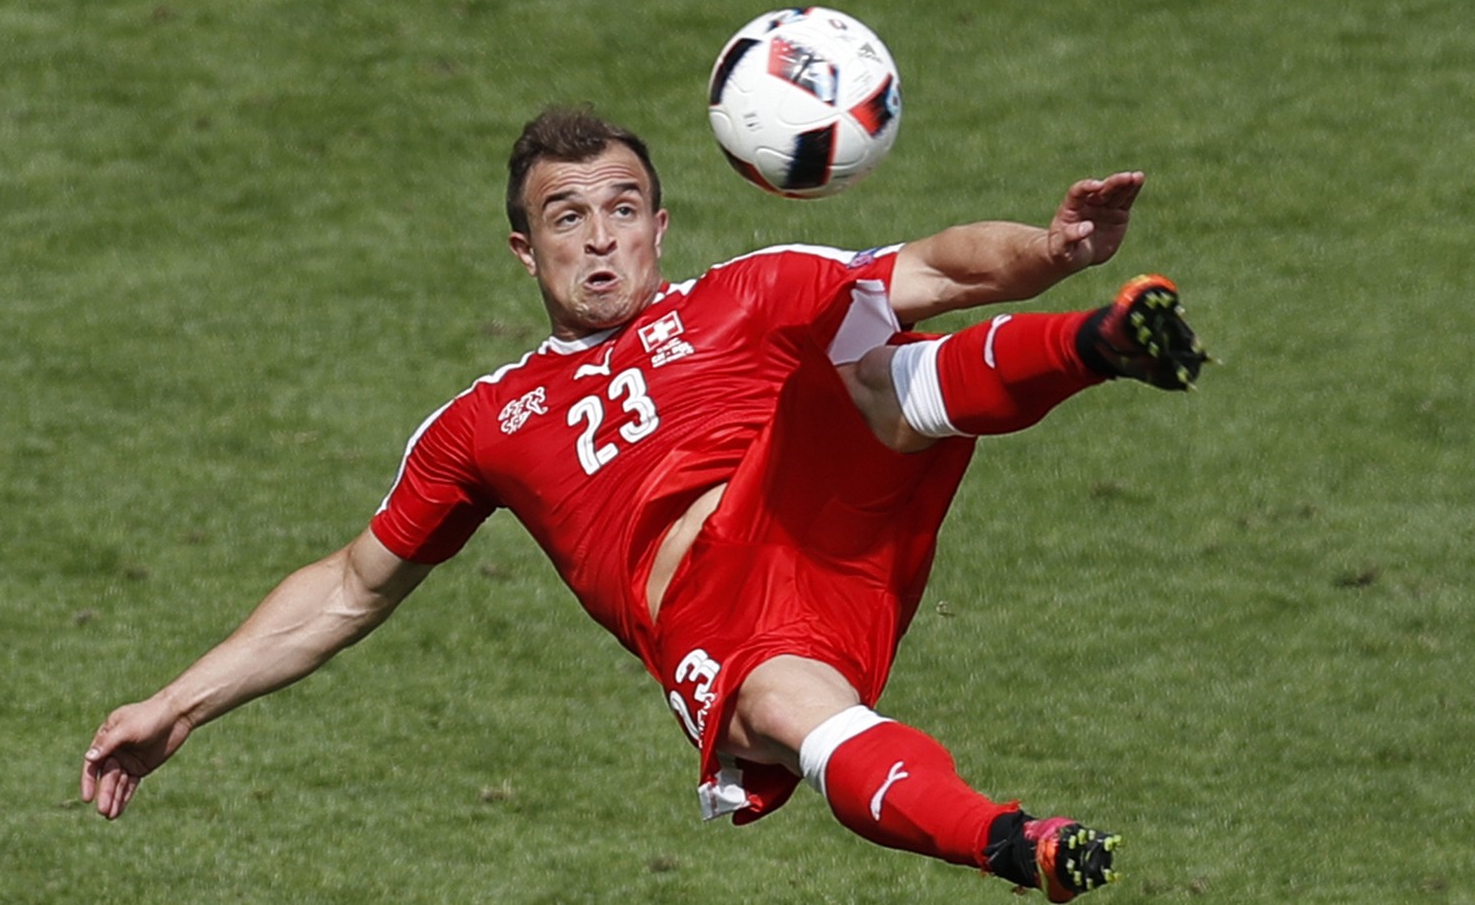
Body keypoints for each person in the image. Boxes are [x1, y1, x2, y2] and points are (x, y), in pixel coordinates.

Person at [82, 106, 1206, 901]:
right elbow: (346, 588)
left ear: (661, 229)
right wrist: (177, 704)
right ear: (525, 251)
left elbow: (943, 270)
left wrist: (1053, 252)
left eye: (623, 208)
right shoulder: (484, 420)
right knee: (791, 716)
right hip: (730, 623)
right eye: (567, 218)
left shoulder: (748, 292)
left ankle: (1102, 341)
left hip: (817, 506)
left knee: (868, 353)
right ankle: (1014, 840)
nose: (601, 234)